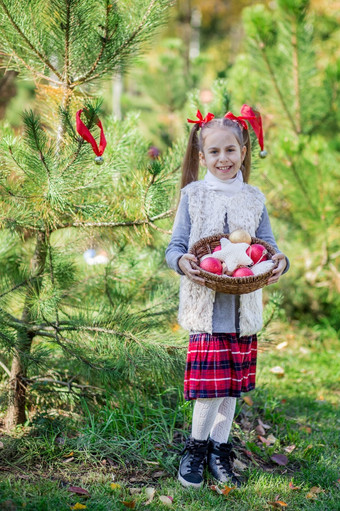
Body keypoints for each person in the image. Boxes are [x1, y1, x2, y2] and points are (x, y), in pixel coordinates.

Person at [165, 105, 289, 489]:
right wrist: (183, 262)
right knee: (209, 390)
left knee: (231, 387)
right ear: (202, 157)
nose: (223, 158)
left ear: (244, 151)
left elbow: (266, 246)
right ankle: (195, 450)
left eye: (230, 150)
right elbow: (175, 247)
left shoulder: (253, 198)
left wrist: (280, 260)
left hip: (243, 309)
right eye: (214, 152)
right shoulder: (194, 195)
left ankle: (221, 452)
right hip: (206, 312)